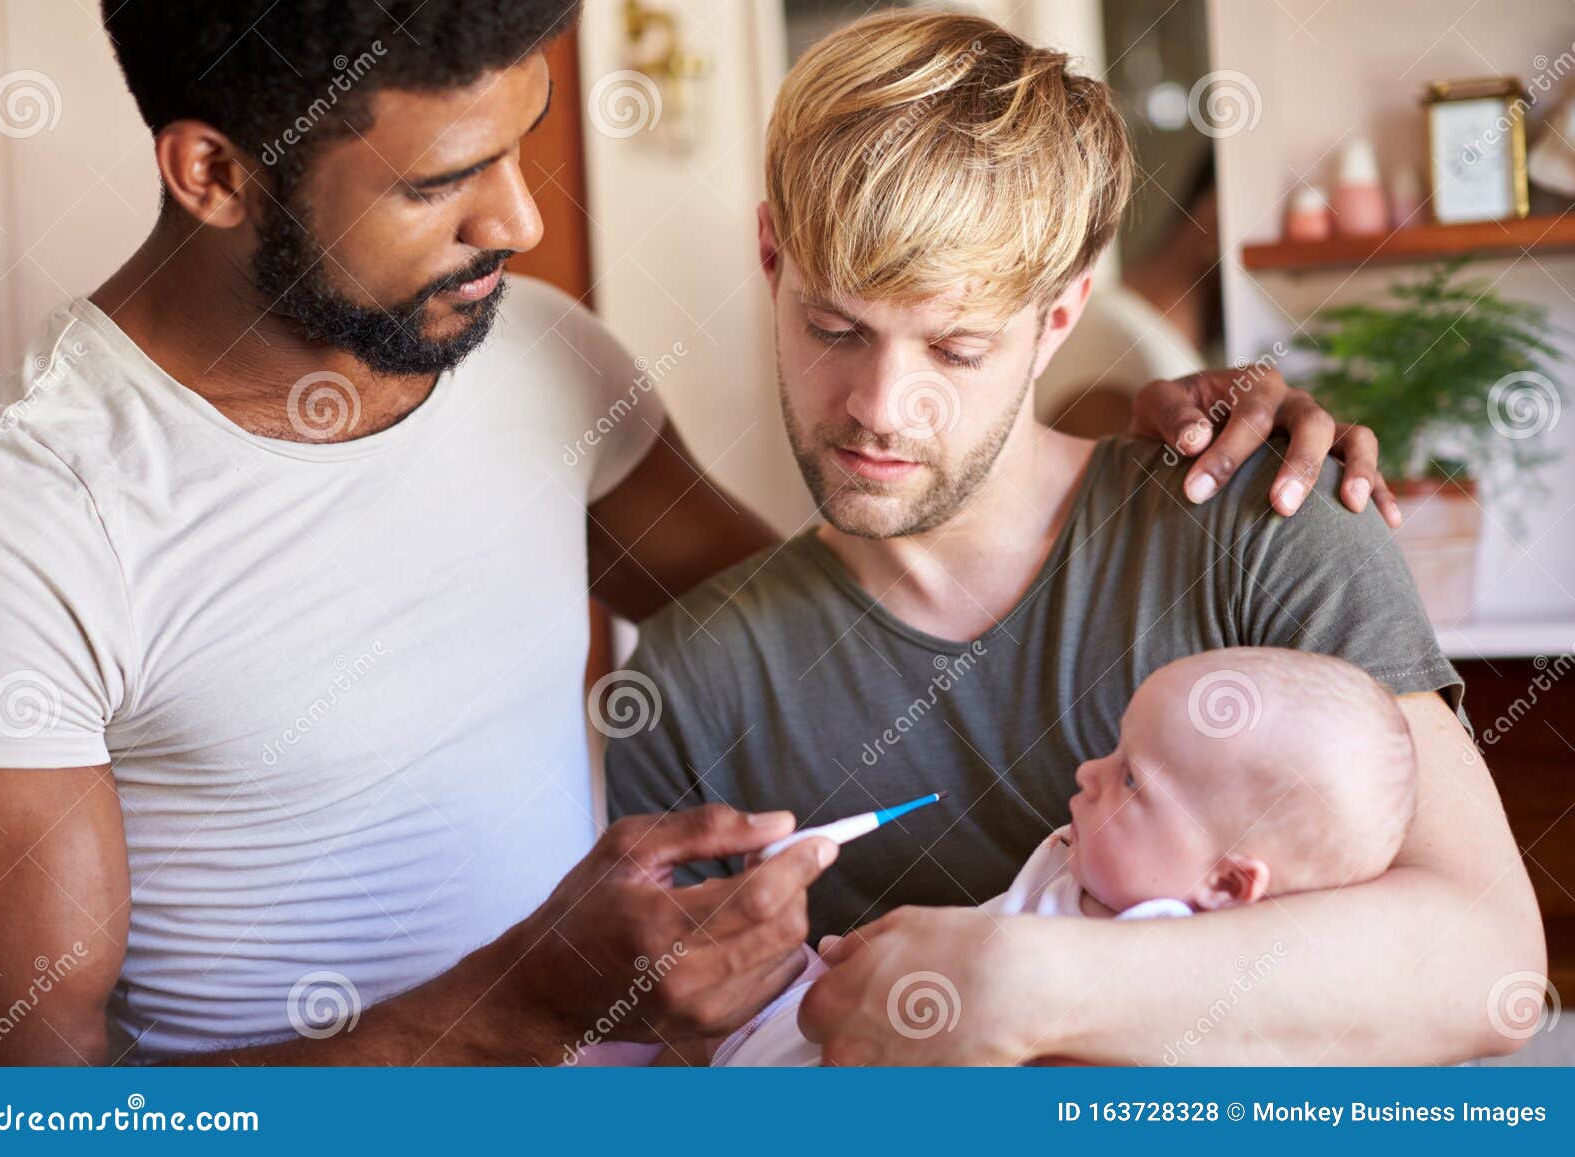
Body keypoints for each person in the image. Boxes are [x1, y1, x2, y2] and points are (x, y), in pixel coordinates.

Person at [0, 1, 1393, 1065]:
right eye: (435, 185)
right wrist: (522, 998)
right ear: (215, 174)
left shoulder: (529, 352)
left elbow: (841, 584)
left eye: (520, 146)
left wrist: (1096, 422)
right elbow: (44, 1114)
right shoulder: (30, 519)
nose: (522, 219)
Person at [605, 10, 1544, 1066]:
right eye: (835, 329)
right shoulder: (689, 684)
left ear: (1059, 315)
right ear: (771, 255)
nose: (880, 406)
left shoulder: (1262, 524)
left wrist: (1030, 980)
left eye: (956, 347)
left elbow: (1492, 969)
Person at [679, 647, 1419, 1067]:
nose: (1088, 773)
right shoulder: (1092, 870)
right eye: (1116, 749)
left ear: (1225, 881)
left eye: (1131, 777)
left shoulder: (1159, 964)